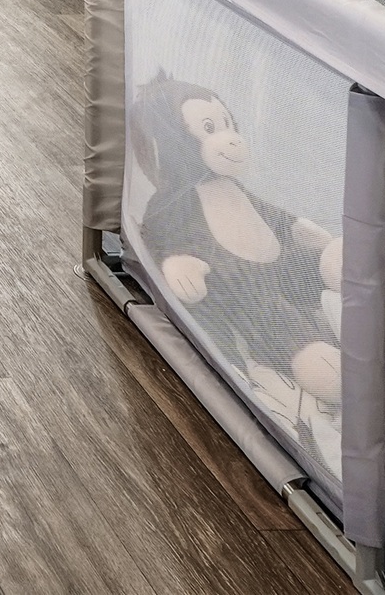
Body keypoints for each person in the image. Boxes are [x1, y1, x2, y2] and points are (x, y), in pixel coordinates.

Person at [130, 74, 344, 413]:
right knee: (273, 318)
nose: (231, 139)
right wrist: (176, 262)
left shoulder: (231, 186)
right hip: (241, 285)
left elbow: (264, 213)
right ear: (174, 141)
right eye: (210, 129)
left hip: (280, 268)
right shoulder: (174, 202)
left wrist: (295, 226)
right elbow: (158, 233)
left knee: (319, 261)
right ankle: (309, 354)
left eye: (227, 124)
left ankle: (339, 267)